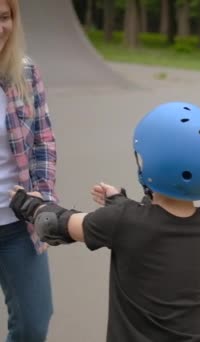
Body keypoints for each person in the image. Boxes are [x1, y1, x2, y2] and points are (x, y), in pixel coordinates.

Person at [10, 101, 200, 342]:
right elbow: (154, 225)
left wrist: (29, 204)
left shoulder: (123, 222)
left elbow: (53, 224)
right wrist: (120, 203)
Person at [0, 0, 57, 340]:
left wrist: (43, 201)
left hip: (16, 225)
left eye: (4, 17)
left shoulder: (25, 72)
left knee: (34, 323)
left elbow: (43, 142)